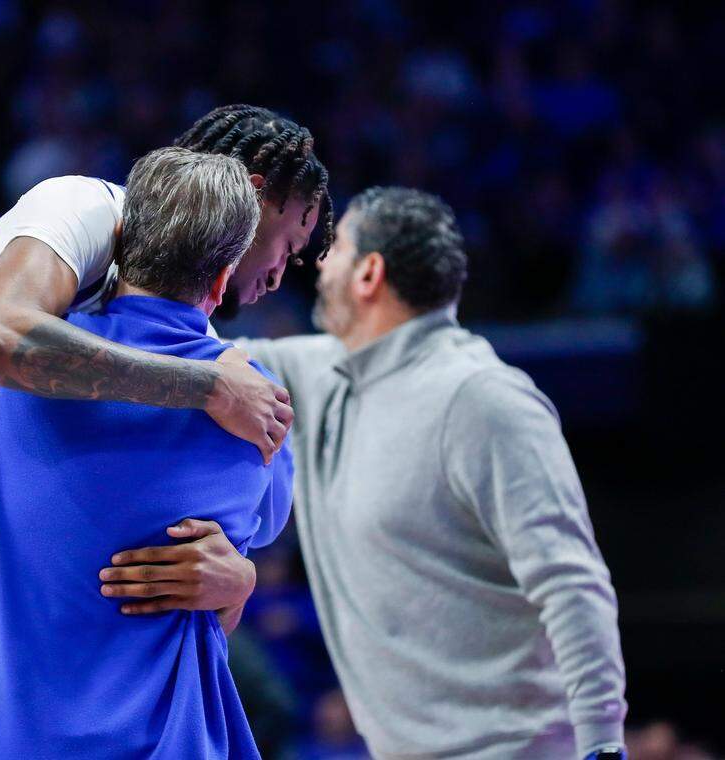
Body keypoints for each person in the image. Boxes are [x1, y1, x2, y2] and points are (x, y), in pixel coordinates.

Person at [0, 104, 328, 758]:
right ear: (250, 202)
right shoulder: (86, 209)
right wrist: (203, 386)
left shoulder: (212, 351)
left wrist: (238, 576)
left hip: (13, 614)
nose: (280, 273)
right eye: (289, 245)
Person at [217, 187, 624, 759]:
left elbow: (572, 584)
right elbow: (199, 354)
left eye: (336, 248)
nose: (319, 261)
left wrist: (604, 746)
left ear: (370, 274)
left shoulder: (484, 399)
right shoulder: (321, 372)